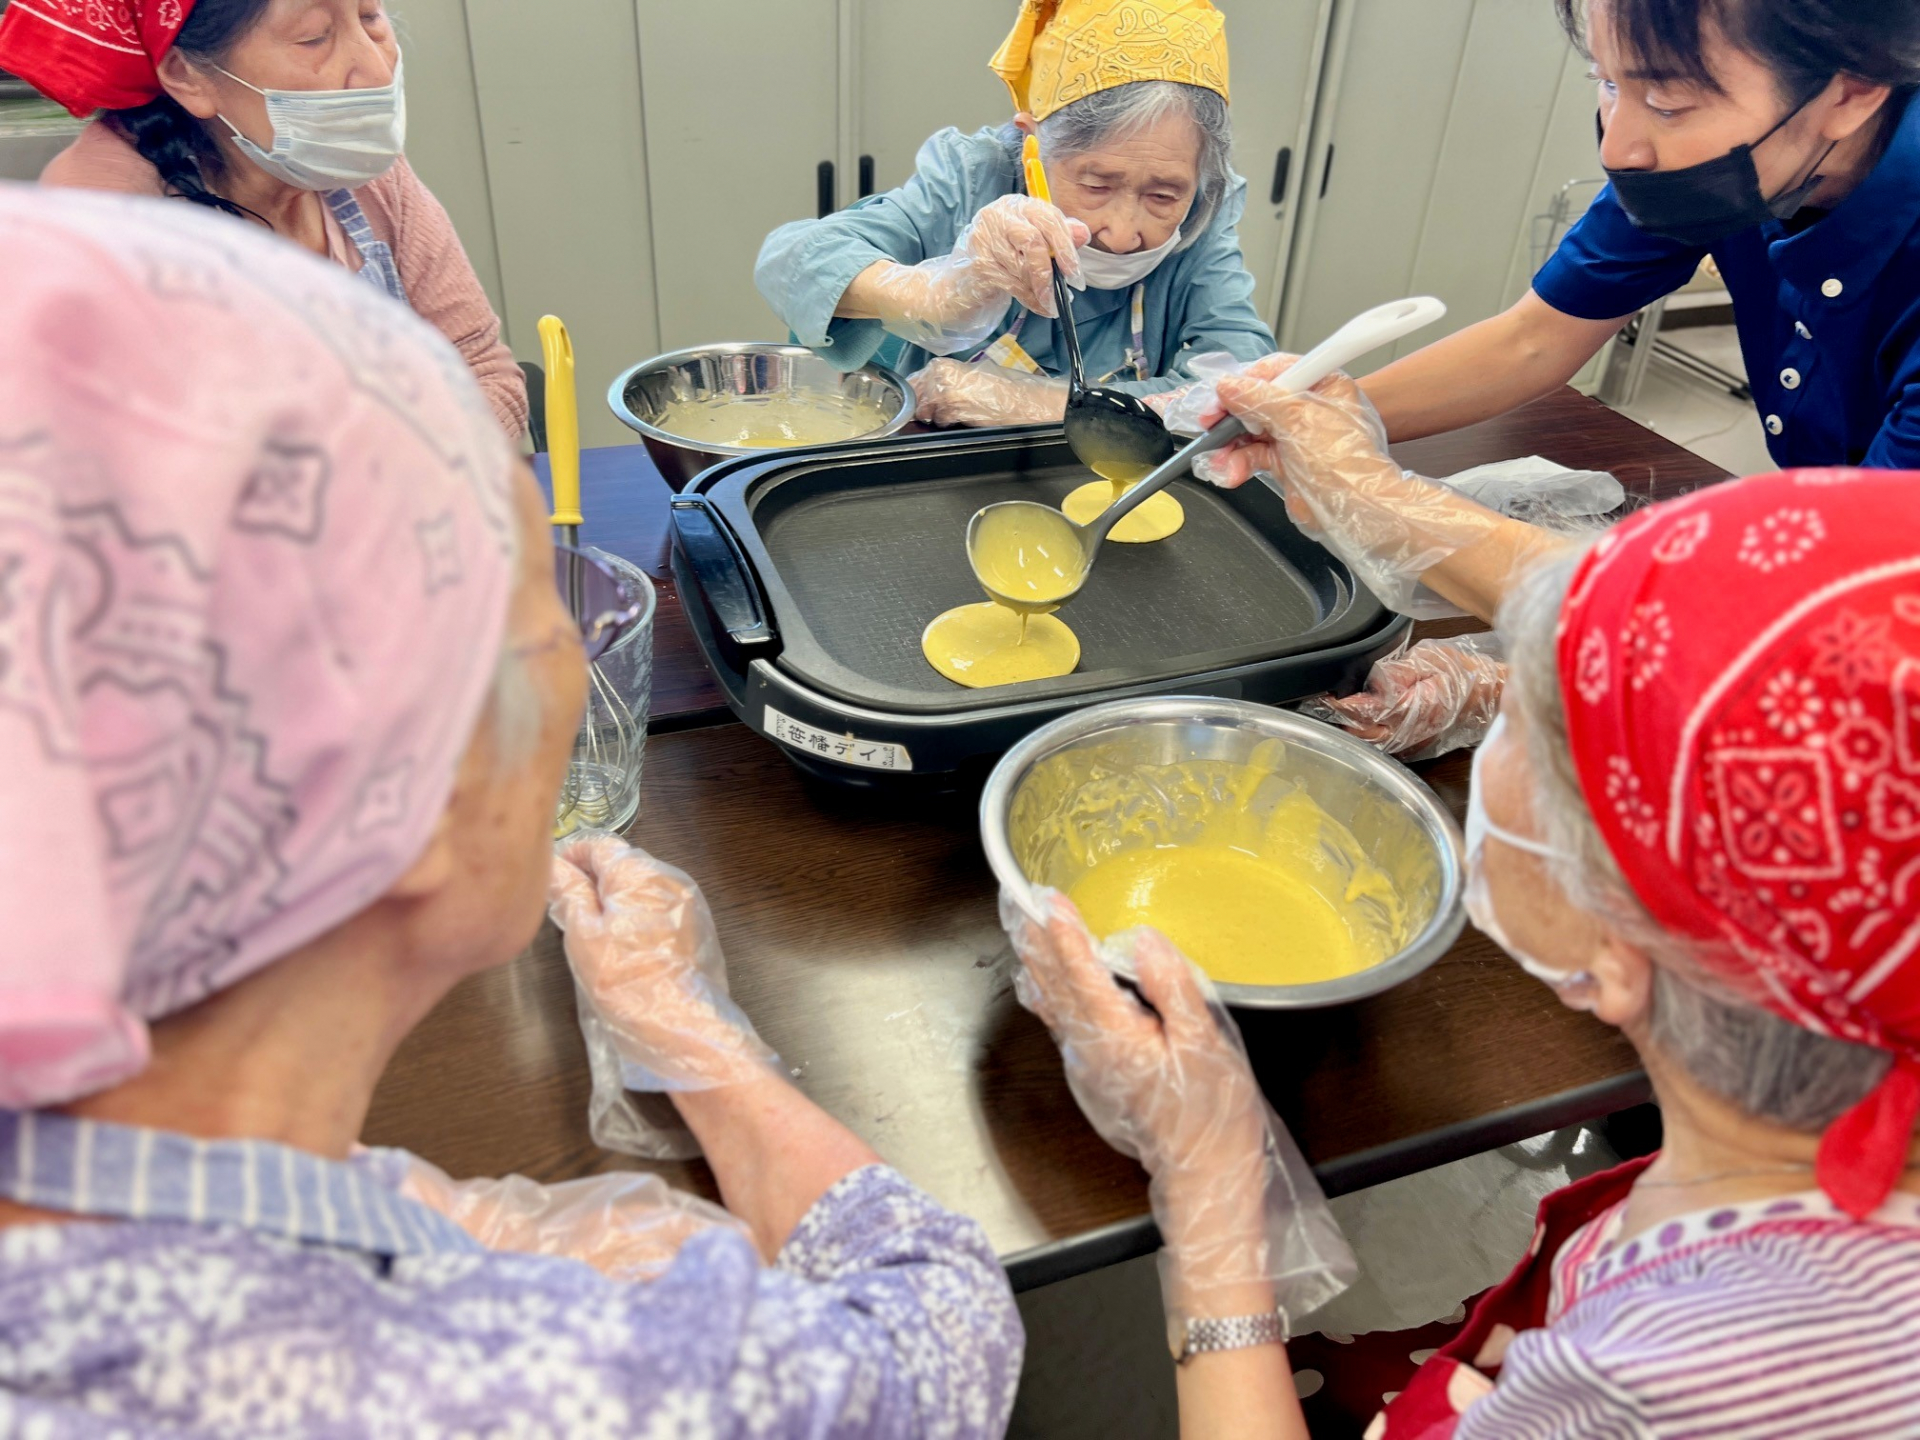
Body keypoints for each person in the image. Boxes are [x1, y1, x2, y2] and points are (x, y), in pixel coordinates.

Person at [0, 182, 1021, 1437]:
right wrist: (696, 1040)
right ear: (398, 802)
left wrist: (406, 1214)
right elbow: (936, 1331)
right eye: (523, 611)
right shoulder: (532, 1395)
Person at [1005, 358, 1920, 1435]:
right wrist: (1376, 498)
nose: (1501, 688)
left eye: (1537, 710)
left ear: (1622, 940)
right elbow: (1709, 631)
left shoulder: (1698, 1381)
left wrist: (1212, 1194)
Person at [1357, 0, 1920, 471]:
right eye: (1606, 82)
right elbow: (1535, 338)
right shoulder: (1718, 174)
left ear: (1850, 94)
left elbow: (1876, 539)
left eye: (1667, 105)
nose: (1617, 149)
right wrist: (1330, 415)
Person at [0, 0, 528, 437]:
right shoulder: (107, 222)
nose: (373, 68)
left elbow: (479, 368)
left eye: (370, 17)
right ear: (187, 75)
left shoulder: (358, 170)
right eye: (314, 38)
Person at [755, 0, 1275, 429]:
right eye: (1096, 185)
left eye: (1162, 197)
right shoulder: (974, 175)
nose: (1121, 234)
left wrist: (1042, 404)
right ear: (1033, 145)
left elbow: (1243, 382)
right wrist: (936, 295)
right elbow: (792, 260)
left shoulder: (1203, 213)